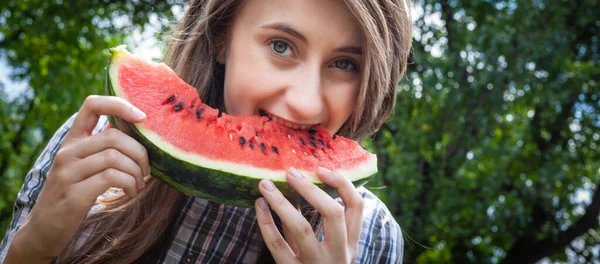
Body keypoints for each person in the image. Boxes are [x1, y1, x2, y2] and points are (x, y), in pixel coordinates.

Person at [0, 0, 412, 263]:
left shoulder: (372, 234)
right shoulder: (96, 146)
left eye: (344, 64)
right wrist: (33, 244)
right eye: (280, 46)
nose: (305, 102)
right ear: (221, 38)